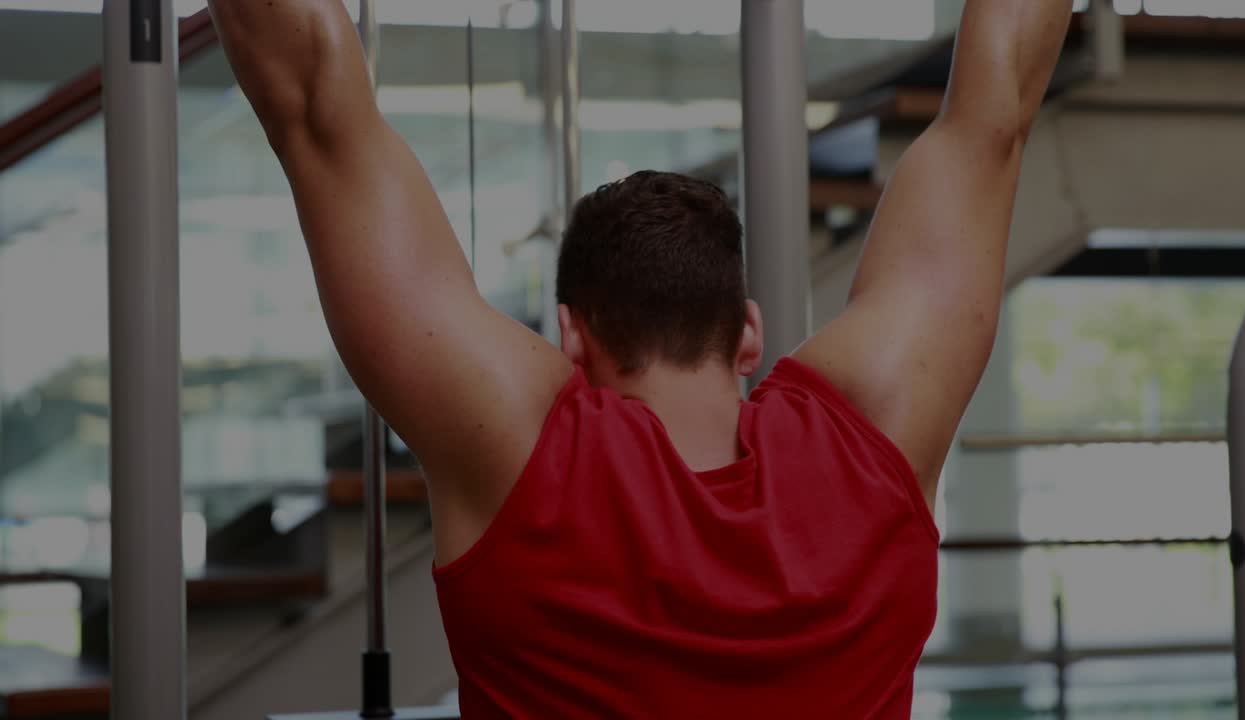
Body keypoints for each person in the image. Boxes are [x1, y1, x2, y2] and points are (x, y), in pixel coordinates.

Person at [209, 0, 1072, 717]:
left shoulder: (519, 455)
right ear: (748, 332)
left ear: (572, 338)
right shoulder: (877, 439)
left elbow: (318, 101)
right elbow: (992, 117)